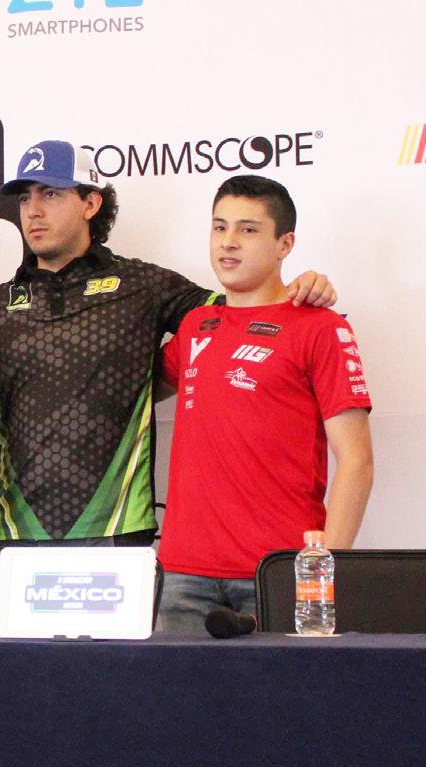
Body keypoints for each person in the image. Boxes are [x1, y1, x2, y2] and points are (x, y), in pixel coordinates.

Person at [0, 140, 337, 569]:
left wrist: (300, 290)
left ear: (91, 204)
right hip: (12, 530)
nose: (34, 211)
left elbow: (243, 311)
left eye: (51, 194)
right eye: (25, 198)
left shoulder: (143, 285)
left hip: (116, 527)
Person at [154, 175, 373, 632]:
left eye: (248, 230)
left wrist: (322, 573)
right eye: (219, 227)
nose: (228, 242)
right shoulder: (195, 326)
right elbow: (129, 393)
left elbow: (357, 461)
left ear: (284, 244)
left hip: (278, 571)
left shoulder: (321, 327)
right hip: (182, 574)